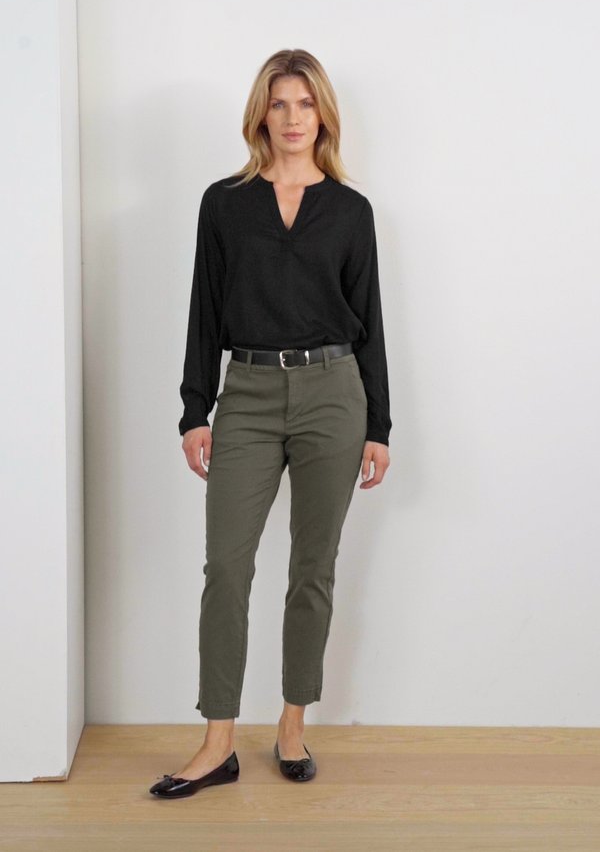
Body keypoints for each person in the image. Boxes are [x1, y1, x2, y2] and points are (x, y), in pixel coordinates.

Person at [150, 48, 392, 799]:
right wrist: (195, 408)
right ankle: (218, 741)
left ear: (324, 115)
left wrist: (379, 425)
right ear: (261, 114)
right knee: (227, 568)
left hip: (334, 395)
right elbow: (203, 306)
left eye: (305, 104)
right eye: (280, 103)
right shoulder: (224, 203)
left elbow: (370, 321)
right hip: (248, 394)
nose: (292, 118)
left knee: (312, 570)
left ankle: (291, 725)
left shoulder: (350, 211)